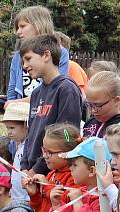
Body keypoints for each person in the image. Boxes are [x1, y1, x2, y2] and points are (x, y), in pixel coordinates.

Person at [0, 6, 71, 110]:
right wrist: (12, 111)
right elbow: (12, 91)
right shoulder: (17, 56)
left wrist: (16, 103)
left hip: (47, 114)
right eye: (17, 28)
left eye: (22, 26)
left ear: (38, 25)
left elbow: (55, 90)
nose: (18, 32)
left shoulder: (60, 53)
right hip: (22, 114)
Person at [18, 33, 83, 176]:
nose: (25, 66)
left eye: (28, 59)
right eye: (23, 62)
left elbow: (66, 138)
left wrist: (37, 169)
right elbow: (30, 133)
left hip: (56, 174)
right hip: (32, 172)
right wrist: (25, 165)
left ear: (46, 55)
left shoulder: (66, 89)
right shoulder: (36, 94)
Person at [0, 100, 31, 205]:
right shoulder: (19, 146)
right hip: (16, 198)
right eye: (7, 128)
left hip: (25, 199)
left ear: (26, 126)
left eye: (12, 128)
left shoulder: (29, 147)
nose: (9, 132)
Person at [83, 71, 120, 138]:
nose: (93, 111)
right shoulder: (90, 123)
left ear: (116, 100)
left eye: (98, 105)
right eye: (89, 104)